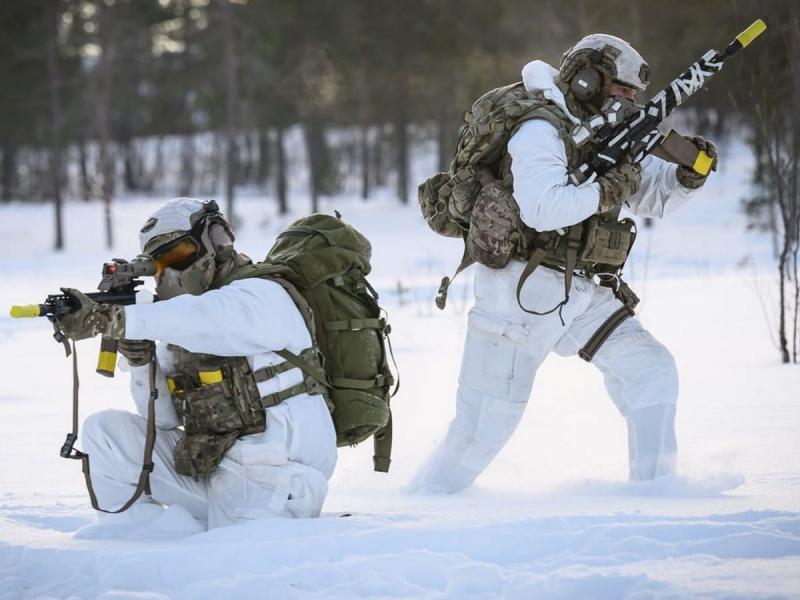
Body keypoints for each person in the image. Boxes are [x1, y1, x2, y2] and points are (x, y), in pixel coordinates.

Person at [415, 34, 717, 492]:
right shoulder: (541, 128)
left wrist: (686, 176)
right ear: (586, 79)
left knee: (651, 372)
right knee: (482, 430)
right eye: (621, 89)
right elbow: (543, 208)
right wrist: (610, 187)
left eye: (634, 94)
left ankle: (657, 492)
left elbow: (649, 196)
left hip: (579, 292)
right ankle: (425, 507)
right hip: (519, 295)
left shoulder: (603, 131)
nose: (629, 101)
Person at [57, 198, 337, 528]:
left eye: (178, 255)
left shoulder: (261, 294)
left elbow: (210, 319)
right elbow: (163, 420)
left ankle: (191, 548)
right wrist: (141, 362)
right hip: (211, 468)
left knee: (229, 556)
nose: (170, 271)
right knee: (106, 432)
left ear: (216, 241)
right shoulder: (182, 323)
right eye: (160, 264)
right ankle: (131, 537)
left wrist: (117, 320)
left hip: (276, 476)